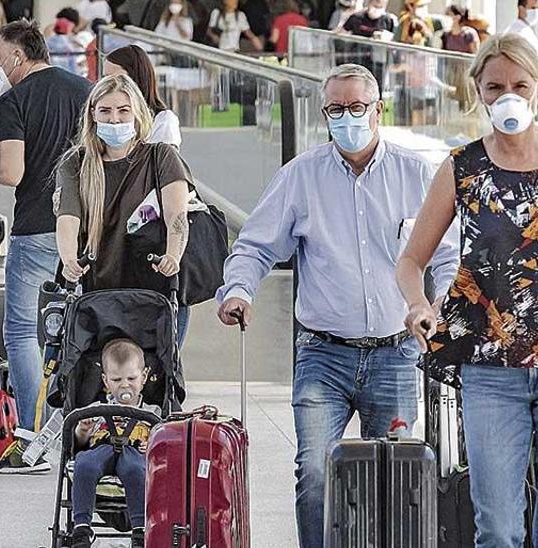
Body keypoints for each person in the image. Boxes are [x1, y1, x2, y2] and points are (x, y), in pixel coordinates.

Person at [396, 34, 538, 547]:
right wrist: (417, 304)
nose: (509, 95)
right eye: (496, 85)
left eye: (520, 84)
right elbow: (411, 259)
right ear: (477, 90)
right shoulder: (462, 167)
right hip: (489, 374)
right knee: (497, 528)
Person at [217, 64, 458, 548]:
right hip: (323, 354)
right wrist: (239, 290)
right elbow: (256, 245)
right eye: (335, 109)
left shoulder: (416, 175)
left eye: (356, 107)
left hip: (395, 353)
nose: (346, 117)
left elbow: (450, 254)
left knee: (397, 476)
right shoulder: (301, 176)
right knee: (314, 474)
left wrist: (439, 304)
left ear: (378, 110)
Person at [0, 19, 92, 474]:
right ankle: (83, 430)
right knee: (80, 331)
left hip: (35, 229)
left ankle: (31, 437)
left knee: (25, 331)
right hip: (86, 230)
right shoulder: (87, 91)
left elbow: (11, 172)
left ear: (18, 56)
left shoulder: (13, 100)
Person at [54, 75, 193, 341]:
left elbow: (177, 215)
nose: (114, 119)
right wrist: (69, 259)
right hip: (97, 291)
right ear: (93, 115)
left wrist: (173, 255)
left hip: (154, 289)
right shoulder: (76, 163)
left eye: (123, 110)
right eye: (105, 111)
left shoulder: (162, 157)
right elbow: (68, 218)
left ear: (137, 113)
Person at [66, 338, 159, 548]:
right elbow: (79, 445)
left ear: (144, 377)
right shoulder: (96, 408)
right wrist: (83, 430)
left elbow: (164, 443)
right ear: (106, 381)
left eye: (131, 378)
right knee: (83, 463)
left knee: (137, 469)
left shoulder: (153, 413)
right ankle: (81, 527)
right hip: (101, 449)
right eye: (116, 380)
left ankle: (140, 529)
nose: (125, 385)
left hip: (135, 454)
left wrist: (152, 445)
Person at [103, 45, 181, 147]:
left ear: (136, 78)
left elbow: (164, 160)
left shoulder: (163, 121)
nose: (109, 85)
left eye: (117, 78)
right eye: (105, 79)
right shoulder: (103, 117)